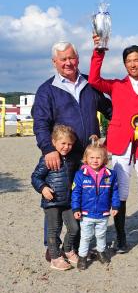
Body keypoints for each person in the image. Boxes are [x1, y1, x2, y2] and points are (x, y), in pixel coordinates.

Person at [32, 41, 112, 261]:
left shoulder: (90, 84)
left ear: (77, 58)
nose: (68, 63)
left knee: (83, 200)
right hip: (62, 157)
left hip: (89, 158)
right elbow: (40, 123)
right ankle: (53, 247)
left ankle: (74, 245)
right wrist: (49, 149)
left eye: (71, 58)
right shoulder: (47, 90)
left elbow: (110, 110)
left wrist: (116, 132)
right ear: (54, 62)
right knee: (58, 202)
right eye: (63, 59)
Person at [89, 38, 138, 253]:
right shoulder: (116, 86)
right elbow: (94, 79)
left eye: (137, 60)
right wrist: (98, 53)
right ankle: (122, 236)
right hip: (121, 145)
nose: (133, 64)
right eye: (129, 61)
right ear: (125, 64)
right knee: (121, 192)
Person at [31, 125, 80, 271]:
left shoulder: (73, 160)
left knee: (74, 228)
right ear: (54, 142)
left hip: (68, 201)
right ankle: (54, 257)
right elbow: (35, 177)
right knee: (54, 230)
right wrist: (43, 188)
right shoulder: (47, 159)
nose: (66, 147)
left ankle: (67, 249)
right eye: (63, 143)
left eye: (70, 144)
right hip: (51, 202)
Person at [72, 139, 119, 270]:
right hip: (86, 213)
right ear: (86, 158)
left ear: (104, 159)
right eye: (91, 157)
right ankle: (82, 257)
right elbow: (76, 193)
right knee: (86, 237)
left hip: (103, 213)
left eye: (98, 157)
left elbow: (115, 192)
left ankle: (101, 252)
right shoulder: (80, 175)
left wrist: (115, 206)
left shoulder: (111, 175)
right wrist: (76, 208)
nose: (95, 160)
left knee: (101, 234)